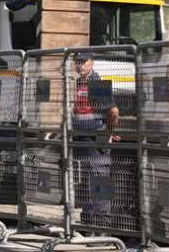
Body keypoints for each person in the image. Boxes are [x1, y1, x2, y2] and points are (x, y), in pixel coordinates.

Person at [71, 53, 118, 227]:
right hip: (81, 137)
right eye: (78, 62)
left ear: (92, 63)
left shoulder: (96, 83)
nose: (80, 65)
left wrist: (109, 131)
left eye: (84, 62)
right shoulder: (78, 83)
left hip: (96, 137)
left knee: (100, 177)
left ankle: (102, 221)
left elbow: (113, 111)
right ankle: (89, 219)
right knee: (86, 179)